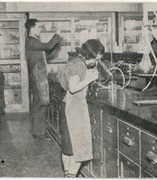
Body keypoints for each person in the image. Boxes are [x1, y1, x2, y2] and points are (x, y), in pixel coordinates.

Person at [60, 39, 104, 177]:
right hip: (74, 110)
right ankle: (71, 177)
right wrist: (90, 78)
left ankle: (67, 175)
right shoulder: (79, 65)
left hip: (67, 105)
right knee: (80, 149)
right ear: (89, 55)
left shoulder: (74, 61)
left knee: (68, 148)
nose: (95, 63)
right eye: (95, 59)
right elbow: (73, 88)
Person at [25, 19, 62, 141]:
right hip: (37, 77)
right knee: (39, 105)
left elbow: (47, 50)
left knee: (40, 104)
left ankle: (39, 131)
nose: (40, 29)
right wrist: (57, 33)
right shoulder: (31, 41)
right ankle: (39, 134)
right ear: (32, 28)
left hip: (39, 76)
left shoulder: (34, 41)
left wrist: (55, 42)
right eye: (38, 27)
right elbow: (48, 46)